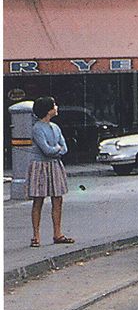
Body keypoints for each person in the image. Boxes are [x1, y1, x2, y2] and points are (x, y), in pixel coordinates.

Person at [28, 96, 74, 247]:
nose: (57, 107)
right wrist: (57, 149)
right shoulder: (37, 128)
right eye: (54, 105)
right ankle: (36, 236)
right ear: (48, 110)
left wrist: (56, 150)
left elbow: (65, 147)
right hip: (40, 166)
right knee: (38, 199)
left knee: (57, 199)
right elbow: (47, 149)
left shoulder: (55, 127)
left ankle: (58, 233)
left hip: (54, 165)